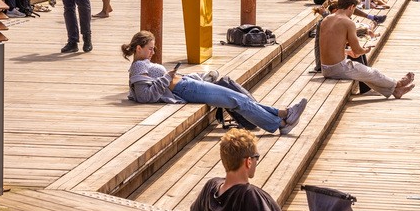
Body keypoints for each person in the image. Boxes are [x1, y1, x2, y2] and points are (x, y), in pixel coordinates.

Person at [190, 129, 405, 211]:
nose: (256, 161)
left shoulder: (212, 188)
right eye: (256, 157)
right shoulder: (249, 195)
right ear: (248, 162)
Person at [122, 32, 304, 134]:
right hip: (186, 89)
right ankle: (280, 123)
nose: (153, 52)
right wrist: (166, 77)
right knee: (237, 100)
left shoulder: (142, 64)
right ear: (139, 48)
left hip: (187, 84)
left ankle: (283, 114)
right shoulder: (139, 66)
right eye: (150, 49)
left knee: (238, 98)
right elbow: (144, 96)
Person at [317, 0, 415, 99]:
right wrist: (365, 50)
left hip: (325, 67)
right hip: (338, 68)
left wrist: (347, 52)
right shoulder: (348, 22)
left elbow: (330, 45)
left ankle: (396, 91)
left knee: (364, 73)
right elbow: (357, 50)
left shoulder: (327, 19)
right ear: (351, 6)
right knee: (373, 73)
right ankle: (398, 84)